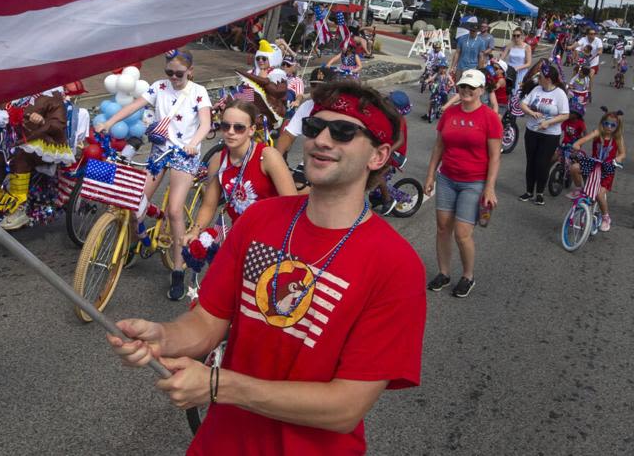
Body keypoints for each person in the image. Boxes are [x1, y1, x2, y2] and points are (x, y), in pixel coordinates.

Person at [107, 80, 425, 454]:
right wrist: (163, 337)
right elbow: (208, 322)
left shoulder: (397, 266)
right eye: (314, 127)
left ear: (378, 156)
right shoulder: (260, 219)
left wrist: (219, 385)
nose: (322, 139)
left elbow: (345, 407)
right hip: (220, 443)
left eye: (342, 132)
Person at [98, 49, 212, 301]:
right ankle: (137, 239)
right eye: (169, 72)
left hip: (184, 155)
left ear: (190, 72)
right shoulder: (158, 87)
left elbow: (205, 123)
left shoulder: (198, 92)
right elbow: (134, 107)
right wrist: (109, 122)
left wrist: (194, 142)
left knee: (174, 210)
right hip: (160, 152)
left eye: (179, 73)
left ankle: (178, 270)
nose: (173, 77)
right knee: (135, 201)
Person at [423, 69, 500, 299]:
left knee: (462, 233)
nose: (466, 91)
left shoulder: (489, 117)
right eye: (463, 86)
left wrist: (490, 187)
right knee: (442, 228)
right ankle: (444, 273)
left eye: (471, 87)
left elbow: (495, 156)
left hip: (474, 182)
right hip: (447, 178)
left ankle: (468, 276)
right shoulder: (449, 114)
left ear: (482, 91)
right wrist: (429, 176)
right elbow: (439, 146)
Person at [186, 101, 296, 243]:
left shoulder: (268, 156)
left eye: (239, 127)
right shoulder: (217, 161)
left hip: (272, 237)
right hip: (241, 236)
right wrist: (195, 232)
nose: (230, 132)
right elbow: (209, 205)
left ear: (251, 130)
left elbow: (292, 204)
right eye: (225, 126)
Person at [0, 87, 71, 230]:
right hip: (13, 141)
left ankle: (19, 208)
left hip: (43, 143)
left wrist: (42, 121)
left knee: (20, 159)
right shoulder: (14, 91)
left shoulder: (52, 94)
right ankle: (3, 202)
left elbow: (58, 124)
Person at [518, 63, 570, 205]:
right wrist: (531, 112)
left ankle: (539, 193)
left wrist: (548, 122)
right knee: (531, 162)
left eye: (540, 76)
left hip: (550, 135)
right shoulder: (536, 89)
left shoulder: (559, 94)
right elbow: (523, 104)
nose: (538, 78)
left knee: (542, 163)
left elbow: (565, 115)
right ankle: (529, 191)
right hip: (532, 131)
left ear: (548, 79)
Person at [568, 109, 626, 232]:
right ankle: (579, 189)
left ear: (617, 126)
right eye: (606, 123)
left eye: (613, 125)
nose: (609, 127)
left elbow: (622, 154)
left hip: (606, 168)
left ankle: (606, 217)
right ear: (602, 123)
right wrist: (577, 147)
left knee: (599, 194)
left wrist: (616, 160)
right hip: (593, 164)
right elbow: (580, 142)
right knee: (574, 168)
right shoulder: (597, 133)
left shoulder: (617, 137)